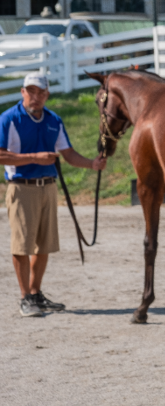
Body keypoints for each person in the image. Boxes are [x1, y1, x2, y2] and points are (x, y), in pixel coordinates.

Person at [0, 73, 107, 318]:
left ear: (47, 95)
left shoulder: (54, 120)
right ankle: (25, 297)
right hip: (21, 187)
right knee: (22, 244)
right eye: (31, 91)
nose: (35, 97)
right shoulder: (8, 119)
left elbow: (68, 153)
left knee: (43, 244)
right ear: (22, 91)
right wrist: (34, 158)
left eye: (41, 92)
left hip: (49, 187)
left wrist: (92, 164)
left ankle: (36, 293)